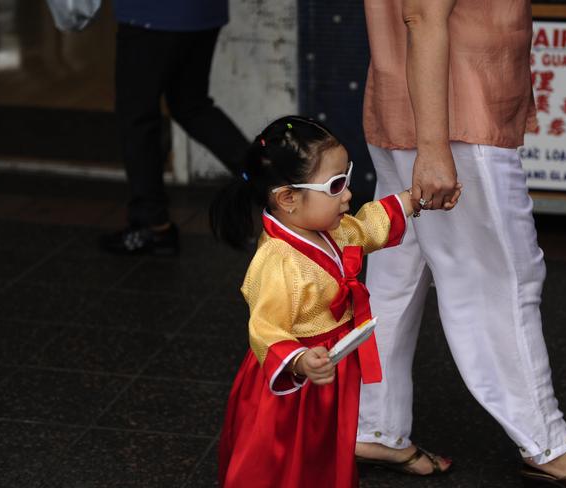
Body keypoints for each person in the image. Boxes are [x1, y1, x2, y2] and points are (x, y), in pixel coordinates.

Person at [356, 0, 566, 486]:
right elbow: (422, 14)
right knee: (501, 279)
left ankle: (373, 424)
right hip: (454, 114)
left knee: (396, 276)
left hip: (413, 103)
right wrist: (435, 148)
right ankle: (547, 443)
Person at [212, 116, 458, 487]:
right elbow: (265, 328)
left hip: (328, 367)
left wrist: (412, 200)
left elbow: (367, 227)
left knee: (323, 448)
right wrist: (298, 360)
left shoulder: (329, 229)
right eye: (336, 184)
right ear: (288, 198)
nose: (348, 194)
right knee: (283, 456)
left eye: (348, 177)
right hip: (295, 380)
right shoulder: (278, 260)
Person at [100, 0, 250, 256]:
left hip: (151, 13)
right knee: (191, 105)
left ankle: (152, 224)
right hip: (202, 12)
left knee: (137, 117)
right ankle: (279, 183)